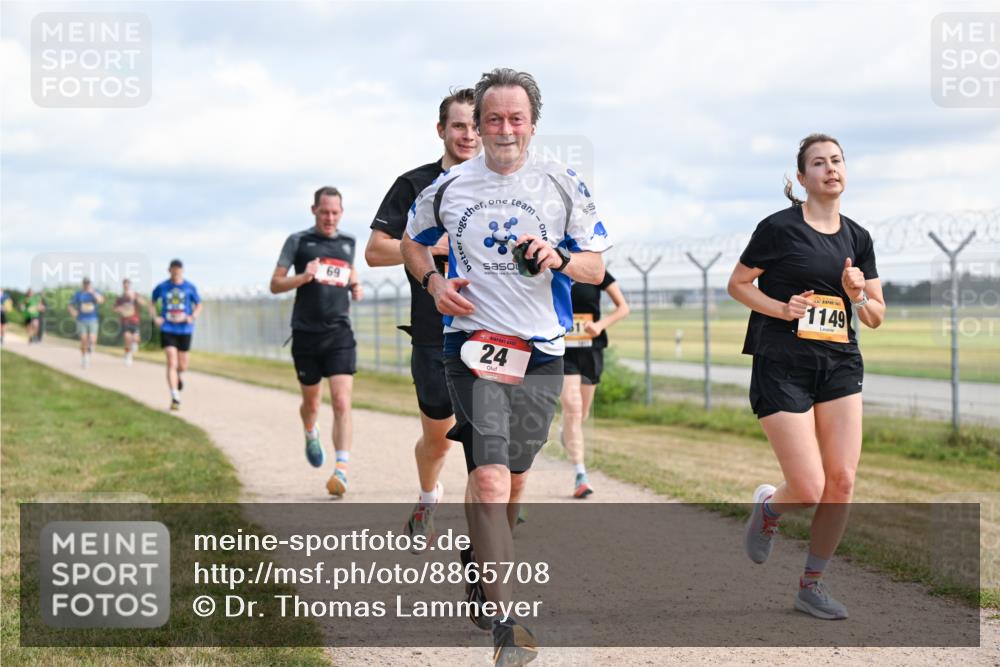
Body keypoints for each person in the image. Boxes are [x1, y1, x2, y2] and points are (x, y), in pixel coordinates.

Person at [402, 68, 610, 666]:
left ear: (533, 125)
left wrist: (560, 257)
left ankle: (480, 558)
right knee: (490, 478)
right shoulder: (449, 186)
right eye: (493, 119)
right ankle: (507, 625)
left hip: (541, 350)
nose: (504, 129)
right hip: (472, 345)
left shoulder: (562, 182)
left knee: (514, 479)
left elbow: (595, 267)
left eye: (516, 118)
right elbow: (413, 242)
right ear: (479, 124)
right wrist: (434, 283)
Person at [727, 133, 885, 620]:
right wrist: (782, 308)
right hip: (782, 364)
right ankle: (770, 508)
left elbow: (876, 316)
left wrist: (857, 295)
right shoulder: (778, 229)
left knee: (842, 481)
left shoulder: (858, 238)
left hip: (839, 365)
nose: (830, 169)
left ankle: (811, 586)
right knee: (810, 487)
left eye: (836, 160)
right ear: (801, 177)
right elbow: (738, 284)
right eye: (818, 163)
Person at [366, 87, 481, 542]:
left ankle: (494, 500)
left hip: (494, 330)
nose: (468, 135)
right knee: (438, 439)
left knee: (489, 435)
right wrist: (431, 246)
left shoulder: (506, 186)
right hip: (434, 333)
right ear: (441, 130)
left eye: (475, 125)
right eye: (459, 126)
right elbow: (375, 251)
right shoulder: (414, 185)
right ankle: (429, 497)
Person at [270, 186, 363, 497]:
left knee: (341, 401)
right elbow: (275, 284)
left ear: (342, 213)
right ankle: (311, 431)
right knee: (312, 403)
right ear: (314, 210)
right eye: (324, 212)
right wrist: (303, 277)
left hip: (339, 333)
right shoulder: (298, 241)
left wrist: (356, 286)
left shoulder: (349, 242)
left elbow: (350, 271)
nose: (330, 218)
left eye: (335, 212)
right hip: (306, 335)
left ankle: (341, 470)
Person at [559, 271, 629, 498]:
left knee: (582, 413)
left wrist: (600, 325)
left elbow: (623, 308)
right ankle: (581, 475)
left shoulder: (596, 272)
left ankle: (567, 431)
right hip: (562, 349)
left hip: (590, 349)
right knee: (572, 407)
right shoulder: (553, 267)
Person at [149, 260, 202, 411]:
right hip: (168, 328)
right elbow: (152, 302)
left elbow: (199, 304)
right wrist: (155, 317)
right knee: (171, 361)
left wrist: (192, 317)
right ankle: (175, 397)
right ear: (169, 270)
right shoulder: (162, 286)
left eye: (178, 271)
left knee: (183, 365)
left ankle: (178, 375)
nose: (176, 273)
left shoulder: (190, 287)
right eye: (173, 271)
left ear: (182, 271)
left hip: (185, 329)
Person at [68, 277, 104, 368]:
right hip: (81, 320)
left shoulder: (95, 292)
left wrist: (93, 293)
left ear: (90, 284)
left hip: (93, 319)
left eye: (88, 283)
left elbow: (101, 301)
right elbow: (70, 305)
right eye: (85, 283)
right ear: (83, 284)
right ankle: (84, 357)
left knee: (92, 340)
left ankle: (89, 350)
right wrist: (73, 312)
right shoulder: (78, 294)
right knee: (83, 340)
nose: (86, 285)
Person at [114, 278, 145, 366]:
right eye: (125, 285)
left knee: (135, 339)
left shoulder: (135, 295)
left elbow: (143, 303)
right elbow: (114, 308)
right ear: (123, 286)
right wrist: (119, 309)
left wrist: (136, 298)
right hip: (125, 321)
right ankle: (128, 355)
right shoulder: (120, 297)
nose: (126, 286)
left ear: (130, 286)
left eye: (128, 285)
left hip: (135, 320)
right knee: (127, 338)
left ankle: (134, 344)